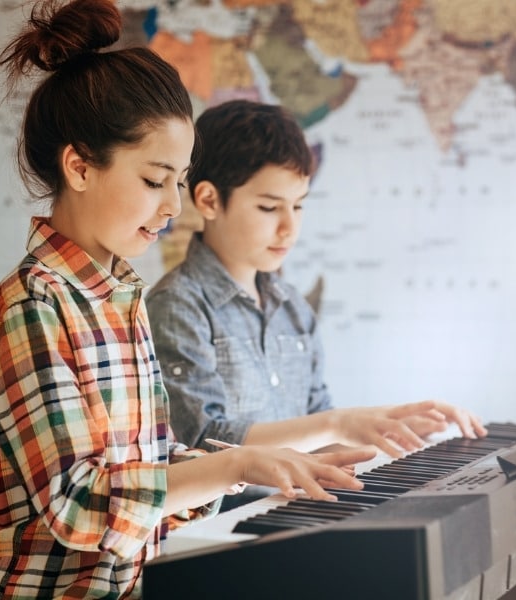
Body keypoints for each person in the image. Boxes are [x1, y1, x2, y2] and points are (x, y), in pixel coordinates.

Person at [0, 2, 375, 598]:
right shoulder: (33, 304)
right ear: (79, 167)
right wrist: (235, 465)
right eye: (155, 180)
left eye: (178, 182)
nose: (174, 206)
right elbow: (76, 503)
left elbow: (147, 463)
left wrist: (261, 464)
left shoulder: (119, 296)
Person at [146, 99, 487, 509]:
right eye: (269, 207)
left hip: (292, 509)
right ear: (209, 201)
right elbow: (204, 440)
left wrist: (396, 430)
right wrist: (338, 423)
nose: (289, 227)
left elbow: (322, 435)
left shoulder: (292, 306)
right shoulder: (176, 306)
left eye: (299, 205)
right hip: (217, 526)